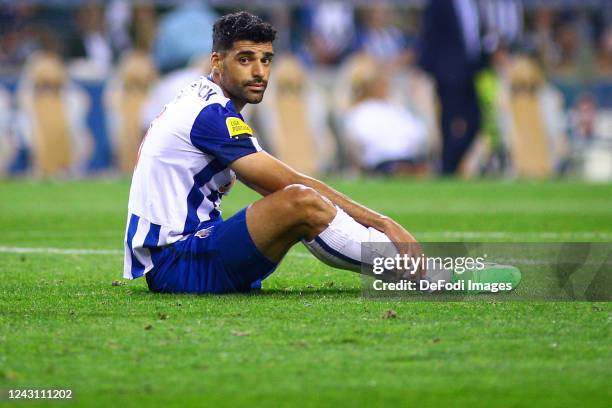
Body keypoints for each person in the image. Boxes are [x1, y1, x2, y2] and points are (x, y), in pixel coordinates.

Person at [124, 11, 516, 294]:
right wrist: (381, 222)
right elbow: (284, 185)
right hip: (180, 264)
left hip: (185, 255)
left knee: (298, 203)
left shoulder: (204, 100)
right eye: (245, 60)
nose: (259, 71)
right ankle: (427, 277)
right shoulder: (210, 114)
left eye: (266, 59)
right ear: (217, 62)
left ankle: (417, 270)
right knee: (300, 203)